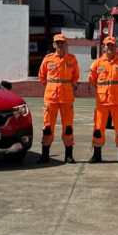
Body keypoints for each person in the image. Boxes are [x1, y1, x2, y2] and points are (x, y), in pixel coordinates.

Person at [88, 36, 118, 164]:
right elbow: (92, 80)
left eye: (112, 45)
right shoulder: (97, 63)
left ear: (115, 47)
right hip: (102, 103)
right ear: (103, 47)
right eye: (108, 45)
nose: (110, 47)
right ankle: (97, 155)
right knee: (98, 129)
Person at [37, 33, 80, 164]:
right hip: (51, 98)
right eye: (58, 43)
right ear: (54, 44)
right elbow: (42, 77)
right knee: (48, 127)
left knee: (68, 127)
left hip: (67, 98)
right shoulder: (48, 59)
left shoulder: (72, 59)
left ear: (66, 44)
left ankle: (68, 155)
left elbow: (75, 78)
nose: (60, 45)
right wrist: (52, 86)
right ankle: (45, 155)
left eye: (62, 42)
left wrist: (68, 88)